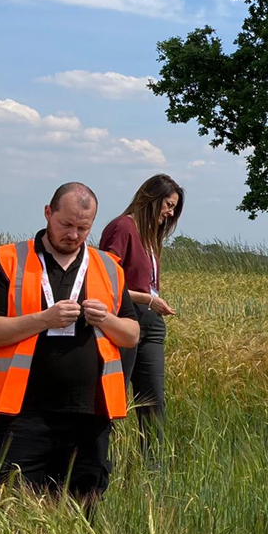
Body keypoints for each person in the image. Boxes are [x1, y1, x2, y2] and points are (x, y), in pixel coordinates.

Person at [0, 183, 140, 518]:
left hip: (91, 414)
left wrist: (106, 319)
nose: (74, 235)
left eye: (84, 228)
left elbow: (132, 334)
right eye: (66, 225)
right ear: (48, 214)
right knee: (13, 510)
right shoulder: (11, 260)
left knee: (83, 513)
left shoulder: (108, 267)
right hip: (24, 412)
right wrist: (43, 319)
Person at [99, 174, 184, 457]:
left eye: (173, 208)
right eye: (168, 205)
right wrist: (148, 298)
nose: (170, 213)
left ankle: (151, 471)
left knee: (153, 402)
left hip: (151, 323)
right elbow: (107, 282)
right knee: (113, 395)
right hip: (126, 319)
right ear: (152, 198)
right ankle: (97, 462)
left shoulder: (150, 235)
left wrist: (153, 303)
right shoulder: (122, 228)